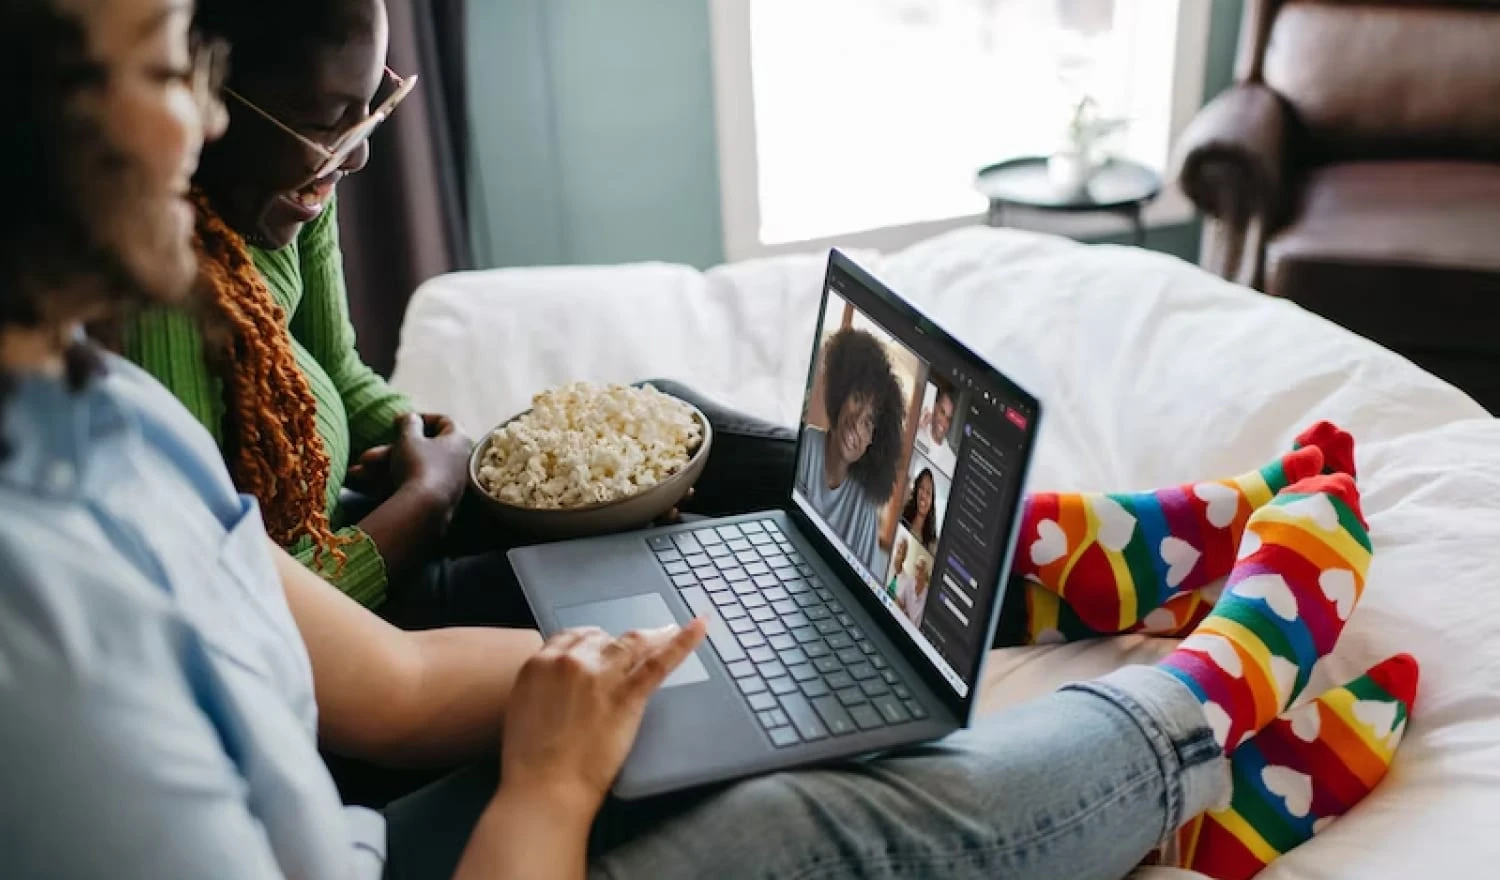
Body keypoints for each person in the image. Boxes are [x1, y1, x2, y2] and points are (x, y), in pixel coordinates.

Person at [0, 6, 1417, 877]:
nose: (184, 110)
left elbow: (381, 674)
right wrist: (558, 781)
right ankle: (1206, 721)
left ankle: (1029, 565)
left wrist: (682, 668)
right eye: (154, 62)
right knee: (796, 829)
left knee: (678, 521)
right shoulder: (44, 653)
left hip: (373, 761)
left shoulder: (101, 417)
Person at [111, 0, 795, 630]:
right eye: (328, 124)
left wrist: (459, 459)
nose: (358, 152)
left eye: (371, 108)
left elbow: (343, 374)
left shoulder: (294, 178)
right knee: (645, 566)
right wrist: (431, 499)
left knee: (662, 414)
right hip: (349, 612)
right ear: (203, 102)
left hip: (373, 518)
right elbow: (241, 619)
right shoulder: (160, 297)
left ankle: (875, 522)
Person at [794, 327, 905, 576]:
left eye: (868, 422)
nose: (856, 422)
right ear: (841, 395)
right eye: (856, 399)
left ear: (873, 442)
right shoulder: (804, 446)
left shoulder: (864, 505)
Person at [915, 379, 958, 475]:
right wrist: (916, 427)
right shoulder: (917, 431)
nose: (944, 422)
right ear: (935, 407)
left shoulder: (952, 462)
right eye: (942, 412)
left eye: (948, 419)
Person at [902, 466, 939, 551]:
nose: (924, 495)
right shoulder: (902, 518)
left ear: (932, 501)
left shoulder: (933, 543)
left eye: (928, 492)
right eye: (921, 488)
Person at [897, 555, 933, 627]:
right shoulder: (908, 581)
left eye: (921, 569)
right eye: (917, 568)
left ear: (926, 574)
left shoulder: (928, 594)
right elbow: (898, 601)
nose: (918, 572)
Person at [886, 536, 909, 600]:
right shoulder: (886, 561)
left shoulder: (906, 580)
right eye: (898, 545)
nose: (899, 549)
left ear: (905, 555)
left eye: (902, 547)